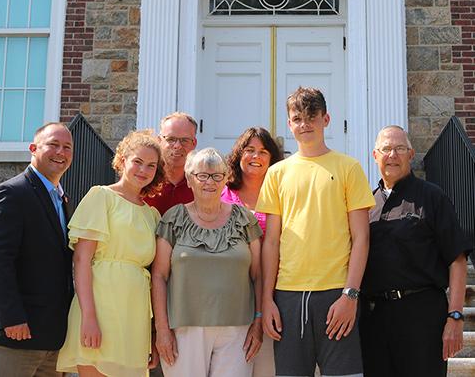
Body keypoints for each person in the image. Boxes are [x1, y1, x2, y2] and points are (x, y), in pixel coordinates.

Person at [257, 87, 375, 377]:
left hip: (336, 293)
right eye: (297, 118)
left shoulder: (349, 168)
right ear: (289, 124)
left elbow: (361, 238)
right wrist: (266, 300)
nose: (304, 124)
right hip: (287, 296)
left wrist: (350, 295)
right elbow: (271, 242)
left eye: (312, 116)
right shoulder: (277, 173)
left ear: (326, 119)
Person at [360, 125, 472, 377]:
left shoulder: (432, 197)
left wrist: (455, 316)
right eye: (386, 149)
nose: (392, 155)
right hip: (374, 319)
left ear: (411, 155)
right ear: (375, 155)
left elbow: (457, 259)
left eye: (400, 148)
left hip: (422, 316)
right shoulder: (366, 204)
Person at [56, 130, 165, 377]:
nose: (143, 170)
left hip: (135, 314)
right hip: (100, 308)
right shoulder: (101, 196)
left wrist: (151, 334)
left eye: (151, 165)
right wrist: (89, 317)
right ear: (123, 159)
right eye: (137, 161)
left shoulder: (152, 215)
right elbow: (82, 260)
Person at [152, 148, 263, 377]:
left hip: (238, 329)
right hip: (184, 328)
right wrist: (161, 329)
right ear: (190, 180)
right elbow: (159, 276)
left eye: (216, 176)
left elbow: (258, 275)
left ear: (225, 180)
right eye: (202, 175)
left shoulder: (244, 219)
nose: (209, 182)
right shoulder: (173, 218)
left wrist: (258, 322)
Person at [0, 122, 74, 377]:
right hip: (14, 336)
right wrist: (11, 318)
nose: (60, 153)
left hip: (51, 339)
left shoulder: (62, 199)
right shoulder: (10, 193)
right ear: (33, 148)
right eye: (53, 145)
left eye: (67, 147)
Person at [221, 127, 282, 377]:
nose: (255, 156)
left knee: (267, 367)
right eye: (249, 150)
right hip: (231, 296)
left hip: (272, 292)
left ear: (272, 159)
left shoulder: (281, 194)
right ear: (239, 154)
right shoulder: (223, 192)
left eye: (263, 151)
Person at [144, 112, 197, 215]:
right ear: (159, 140)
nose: (177, 146)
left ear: (194, 143)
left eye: (184, 140)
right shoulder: (144, 178)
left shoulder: (202, 183)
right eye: (171, 139)